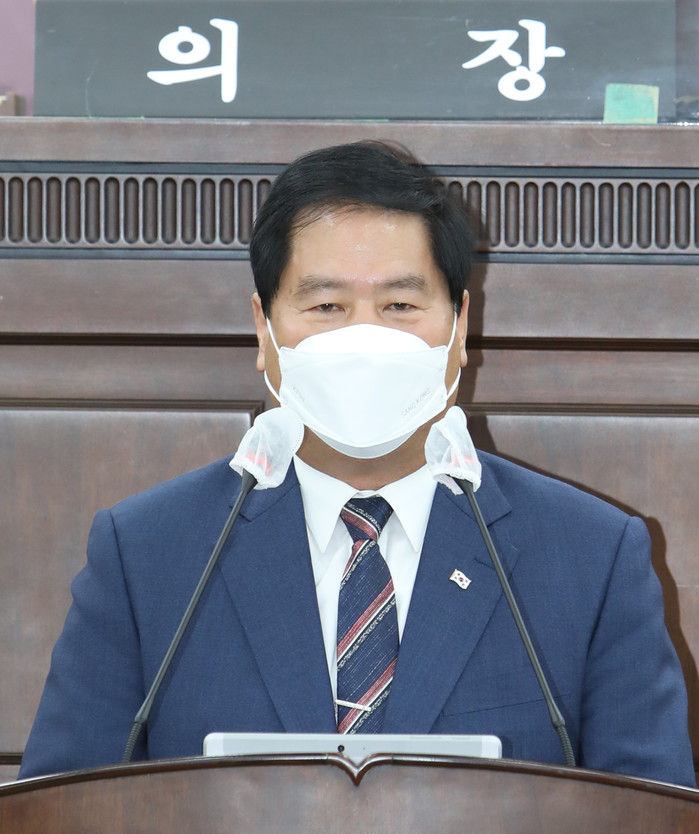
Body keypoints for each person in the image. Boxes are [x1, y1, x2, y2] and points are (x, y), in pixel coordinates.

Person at [19, 141, 695, 786]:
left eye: (400, 305)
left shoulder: (590, 557)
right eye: (326, 306)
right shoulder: (147, 555)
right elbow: (56, 830)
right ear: (264, 331)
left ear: (460, 328)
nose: (364, 338)